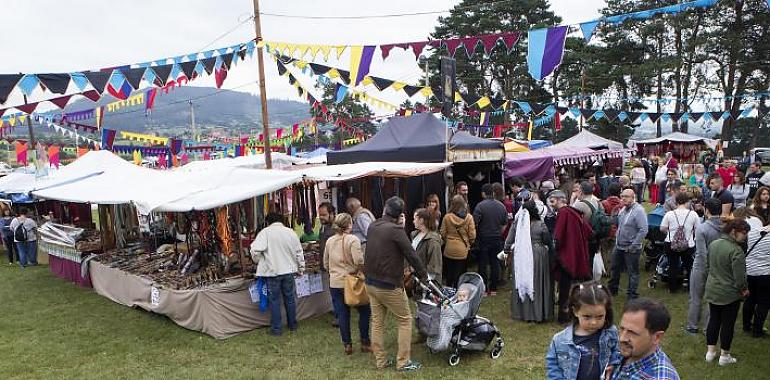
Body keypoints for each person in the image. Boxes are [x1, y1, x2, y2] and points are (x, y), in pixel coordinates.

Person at [364, 196, 427, 371]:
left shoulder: (373, 225)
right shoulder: (396, 230)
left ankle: (381, 361)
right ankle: (403, 361)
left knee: (377, 322)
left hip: (370, 282)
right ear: (400, 215)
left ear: (385, 210)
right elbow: (411, 255)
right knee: (405, 320)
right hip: (389, 285)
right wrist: (424, 276)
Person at [546, 281, 622, 380]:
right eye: (587, 316)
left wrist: (613, 366)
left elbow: (618, 353)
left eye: (600, 316)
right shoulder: (559, 340)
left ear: (606, 312)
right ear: (575, 311)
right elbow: (553, 367)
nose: (594, 322)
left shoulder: (611, 333)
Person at [250, 212, 305, 336]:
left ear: (268, 222)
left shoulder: (265, 233)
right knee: (290, 299)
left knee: (274, 300)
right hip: (289, 271)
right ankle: (293, 325)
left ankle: (276, 329)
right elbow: (299, 252)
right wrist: (301, 268)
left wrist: (259, 261)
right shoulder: (290, 232)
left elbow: (255, 250)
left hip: (272, 272)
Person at [323, 213, 370, 355]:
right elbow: (359, 261)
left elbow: (326, 263)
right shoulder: (353, 239)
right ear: (349, 224)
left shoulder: (330, 241)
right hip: (351, 281)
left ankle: (347, 344)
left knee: (342, 313)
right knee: (365, 310)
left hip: (335, 283)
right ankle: (364, 341)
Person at [704, 218, 750, 366]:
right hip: (730, 294)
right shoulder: (737, 251)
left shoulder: (713, 244)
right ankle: (725, 356)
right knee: (728, 324)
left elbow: (708, 266)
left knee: (714, 320)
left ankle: (710, 353)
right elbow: (740, 278)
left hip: (713, 289)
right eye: (743, 233)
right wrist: (744, 290)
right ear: (733, 231)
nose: (745, 236)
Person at [504, 200, 554, 322]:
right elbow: (547, 240)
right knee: (536, 282)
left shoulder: (517, 224)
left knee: (523, 281)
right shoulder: (540, 224)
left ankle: (522, 313)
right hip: (537, 254)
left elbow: (509, 240)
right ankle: (538, 313)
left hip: (521, 254)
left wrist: (506, 250)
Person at [549, 190, 593, 324]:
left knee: (565, 290)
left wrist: (555, 250)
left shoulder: (564, 213)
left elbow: (558, 236)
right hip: (574, 255)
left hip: (567, 257)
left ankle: (564, 317)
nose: (551, 204)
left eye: (552, 201)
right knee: (572, 289)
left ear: (560, 200)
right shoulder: (572, 212)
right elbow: (588, 231)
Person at [611, 298, 679, 379]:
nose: (622, 338)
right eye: (622, 329)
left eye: (632, 332)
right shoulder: (631, 352)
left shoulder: (658, 377)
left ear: (657, 337)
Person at [686, 198, 724, 335]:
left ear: (707, 210)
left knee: (695, 297)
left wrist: (707, 269)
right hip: (718, 266)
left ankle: (692, 325)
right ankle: (708, 327)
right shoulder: (725, 227)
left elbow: (702, 253)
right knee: (711, 299)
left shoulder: (702, 228)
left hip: (702, 267)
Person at [609, 189, 648, 299]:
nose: (623, 199)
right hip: (619, 245)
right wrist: (614, 215)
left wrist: (634, 245)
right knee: (614, 268)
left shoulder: (639, 211)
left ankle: (632, 295)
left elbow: (643, 229)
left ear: (633, 197)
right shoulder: (623, 209)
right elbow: (618, 224)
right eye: (622, 196)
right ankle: (612, 290)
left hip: (631, 248)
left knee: (632, 272)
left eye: (626, 196)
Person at [660, 192, 700, 293]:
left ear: (676, 202)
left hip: (671, 243)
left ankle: (672, 288)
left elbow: (662, 228)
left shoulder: (669, 214)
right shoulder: (693, 214)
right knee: (690, 266)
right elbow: (698, 229)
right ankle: (691, 288)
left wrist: (670, 232)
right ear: (687, 202)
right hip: (688, 244)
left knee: (672, 265)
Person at [473, 183, 508, 296]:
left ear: (483, 193)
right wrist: (499, 232)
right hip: (497, 238)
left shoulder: (480, 206)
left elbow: (475, 223)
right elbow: (505, 223)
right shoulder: (501, 206)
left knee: (482, 264)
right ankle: (493, 288)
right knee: (495, 263)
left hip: (483, 238)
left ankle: (483, 289)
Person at [440, 195, 476, 289]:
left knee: (449, 273)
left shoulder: (447, 217)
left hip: (449, 249)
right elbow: (472, 235)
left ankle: (448, 290)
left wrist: (448, 240)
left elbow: (442, 233)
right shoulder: (469, 218)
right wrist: (469, 243)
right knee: (460, 273)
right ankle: (458, 291)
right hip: (462, 250)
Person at [742, 224, 770, 338]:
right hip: (765, 273)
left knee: (750, 299)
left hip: (749, 271)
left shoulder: (754, 231)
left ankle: (746, 325)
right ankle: (757, 331)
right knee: (764, 303)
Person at [318, 202, 339, 327]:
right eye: (320, 215)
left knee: (337, 292)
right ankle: (337, 311)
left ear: (332, 214)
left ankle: (339, 316)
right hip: (328, 265)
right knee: (333, 291)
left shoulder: (337, 229)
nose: (321, 217)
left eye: (324, 215)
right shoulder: (323, 227)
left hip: (336, 266)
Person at [573, 181, 603, 264]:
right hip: (596, 235)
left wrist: (572, 200)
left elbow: (572, 220)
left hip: (584, 237)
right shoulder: (597, 201)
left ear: (581, 191)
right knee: (591, 260)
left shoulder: (580, 205)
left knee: (583, 261)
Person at [411, 208, 442, 285]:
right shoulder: (415, 235)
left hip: (428, 283)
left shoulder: (433, 241)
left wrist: (426, 282)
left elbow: (434, 266)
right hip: (416, 278)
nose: (413, 221)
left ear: (421, 220)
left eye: (415, 219)